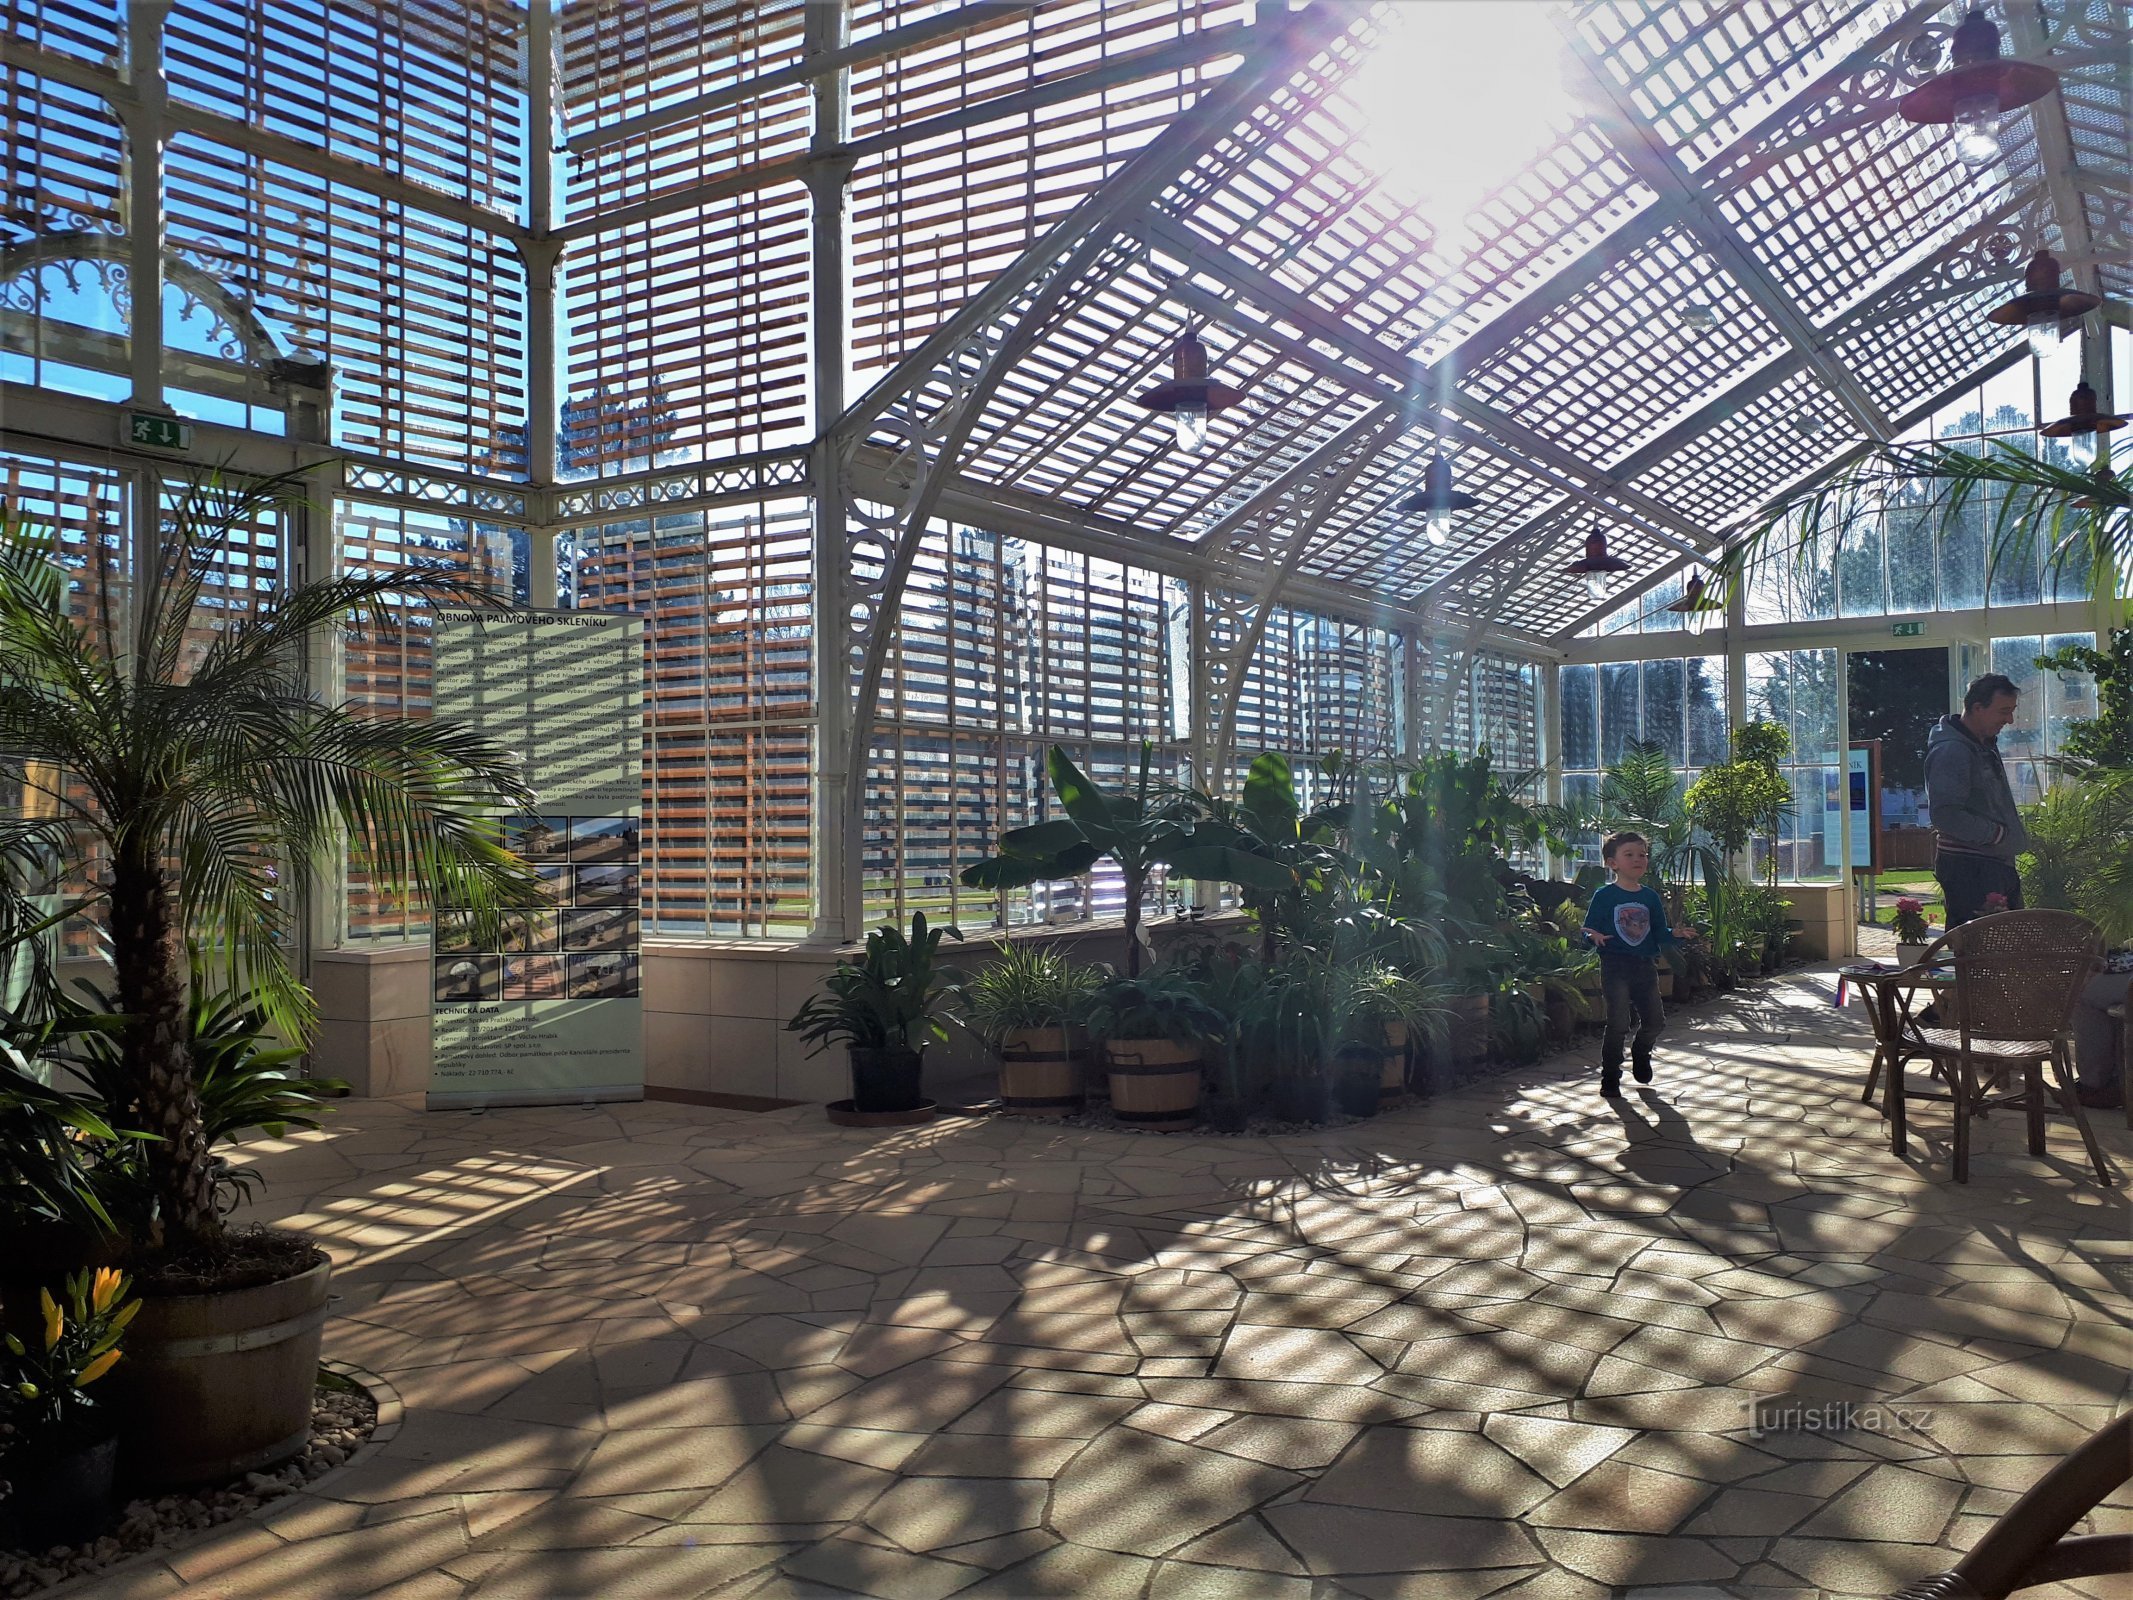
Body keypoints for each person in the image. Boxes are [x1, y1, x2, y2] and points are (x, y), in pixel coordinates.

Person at [1582, 831, 1692, 1098]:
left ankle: (1641, 1053)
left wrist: (1674, 935)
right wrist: (1592, 936)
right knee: (1618, 1022)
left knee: (1655, 1021)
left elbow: (1658, 932)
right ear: (1612, 863)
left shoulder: (1650, 897)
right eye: (1629, 854)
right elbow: (1587, 929)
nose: (1638, 859)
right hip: (1615, 966)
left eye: (1642, 854)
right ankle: (1610, 1078)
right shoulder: (1604, 896)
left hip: (1644, 967)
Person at [1925, 674, 2028, 927]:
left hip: (1991, 864)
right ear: (1977, 708)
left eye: (2012, 711)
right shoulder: (1952, 750)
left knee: (2003, 945)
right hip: (1971, 868)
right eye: (2004, 711)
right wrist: (1997, 835)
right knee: (1978, 950)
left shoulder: (1981, 745)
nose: (2010, 720)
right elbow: (1946, 814)